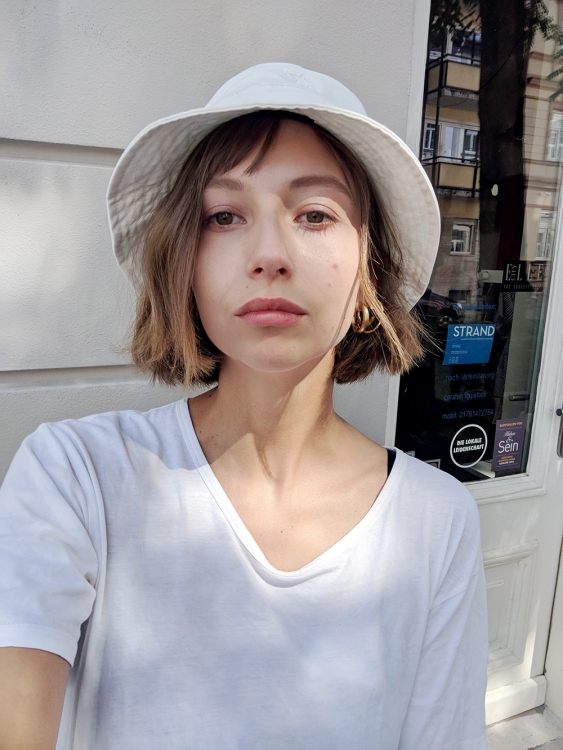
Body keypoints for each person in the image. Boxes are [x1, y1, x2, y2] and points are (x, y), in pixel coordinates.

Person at [0, 63, 488, 749]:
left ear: (366, 278)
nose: (269, 255)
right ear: (186, 267)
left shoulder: (437, 521)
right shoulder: (77, 476)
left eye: (314, 215)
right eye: (225, 216)